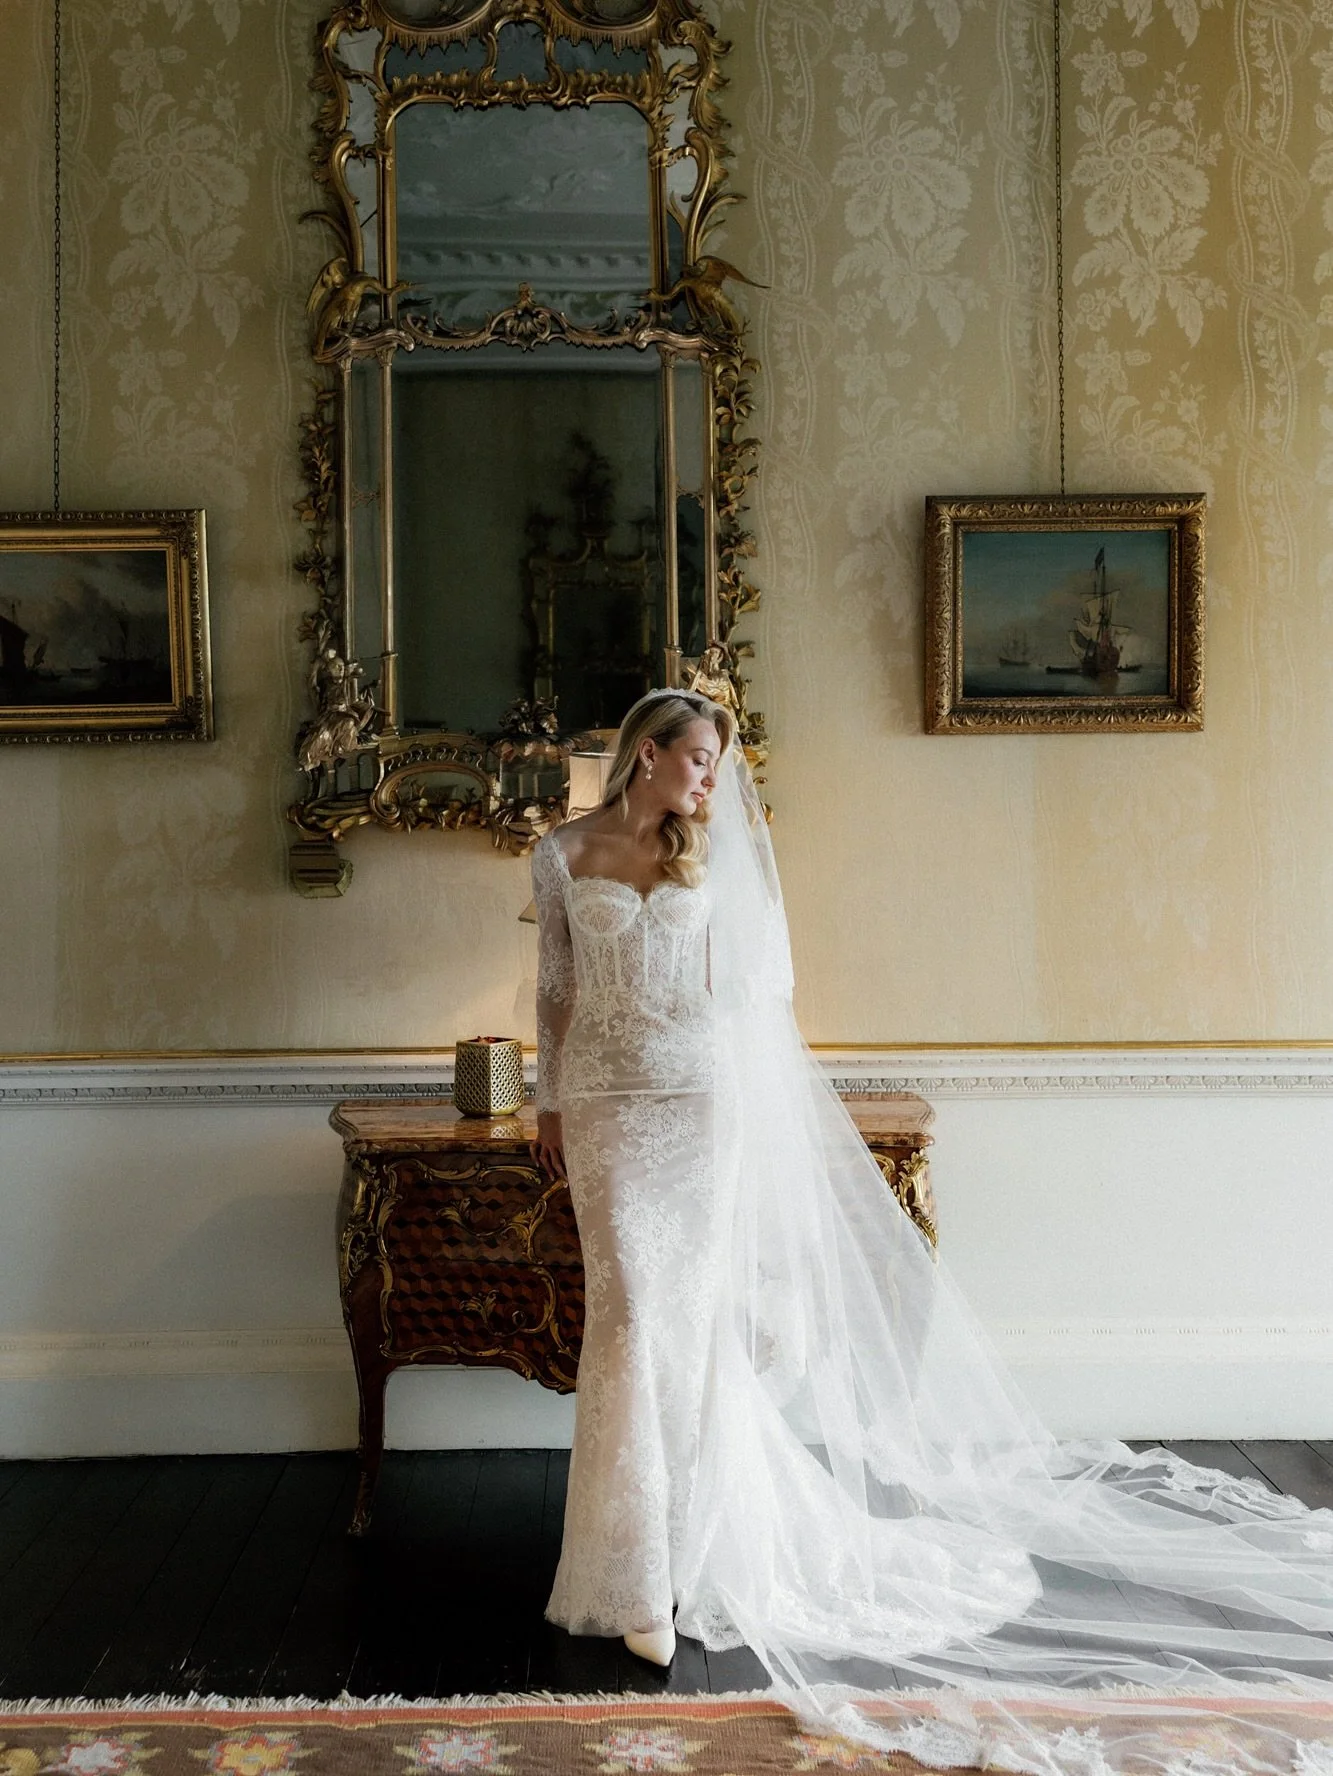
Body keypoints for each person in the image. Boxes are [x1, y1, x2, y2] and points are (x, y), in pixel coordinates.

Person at [529, 688, 1333, 1774]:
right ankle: (626, 1564)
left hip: (701, 1108)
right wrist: (542, 1104)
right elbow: (556, 992)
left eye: (718, 764)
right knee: (630, 1324)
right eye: (699, 760)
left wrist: (759, 1125)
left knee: (692, 1330)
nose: (711, 780)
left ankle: (684, 1555)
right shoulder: (559, 852)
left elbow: (753, 1002)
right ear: (647, 756)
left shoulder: (710, 856)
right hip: (605, 1113)